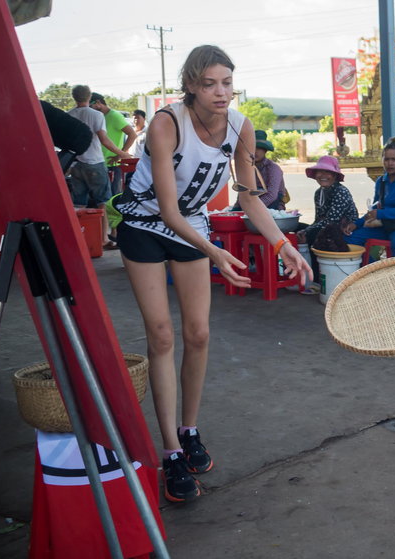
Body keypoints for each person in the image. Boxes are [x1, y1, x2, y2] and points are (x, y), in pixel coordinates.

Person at [113, 45, 312, 503]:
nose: (220, 92)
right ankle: (168, 451)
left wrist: (284, 245)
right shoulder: (167, 123)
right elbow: (166, 210)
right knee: (161, 335)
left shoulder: (241, 126)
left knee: (199, 333)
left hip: (193, 227)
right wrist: (217, 253)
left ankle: (189, 429)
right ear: (190, 86)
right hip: (146, 226)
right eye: (209, 83)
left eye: (227, 82)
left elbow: (249, 197)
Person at [67, 85, 133, 248]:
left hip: (75, 164)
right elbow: (104, 139)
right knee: (103, 201)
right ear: (89, 97)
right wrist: (122, 153)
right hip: (95, 162)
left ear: (74, 97)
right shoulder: (96, 115)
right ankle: (104, 238)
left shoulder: (69, 115)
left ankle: (79, 237)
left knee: (79, 203)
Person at [343, 137, 395, 258]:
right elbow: (374, 209)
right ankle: (367, 272)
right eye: (386, 159)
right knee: (351, 238)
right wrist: (357, 224)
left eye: (394, 159)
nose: (390, 163)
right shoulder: (381, 181)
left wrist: (380, 214)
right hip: (385, 226)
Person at [90, 92, 137, 196]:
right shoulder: (98, 116)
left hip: (112, 165)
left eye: (90, 106)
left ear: (98, 102)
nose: (89, 109)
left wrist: (120, 154)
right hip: (98, 163)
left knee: (112, 197)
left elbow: (132, 134)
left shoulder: (114, 116)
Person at [231, 130, 285, 211]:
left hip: (272, 207)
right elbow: (243, 192)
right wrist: (235, 209)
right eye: (253, 147)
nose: (255, 151)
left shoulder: (273, 168)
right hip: (251, 203)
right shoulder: (247, 167)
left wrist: (251, 209)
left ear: (265, 151)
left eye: (259, 148)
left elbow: (272, 195)